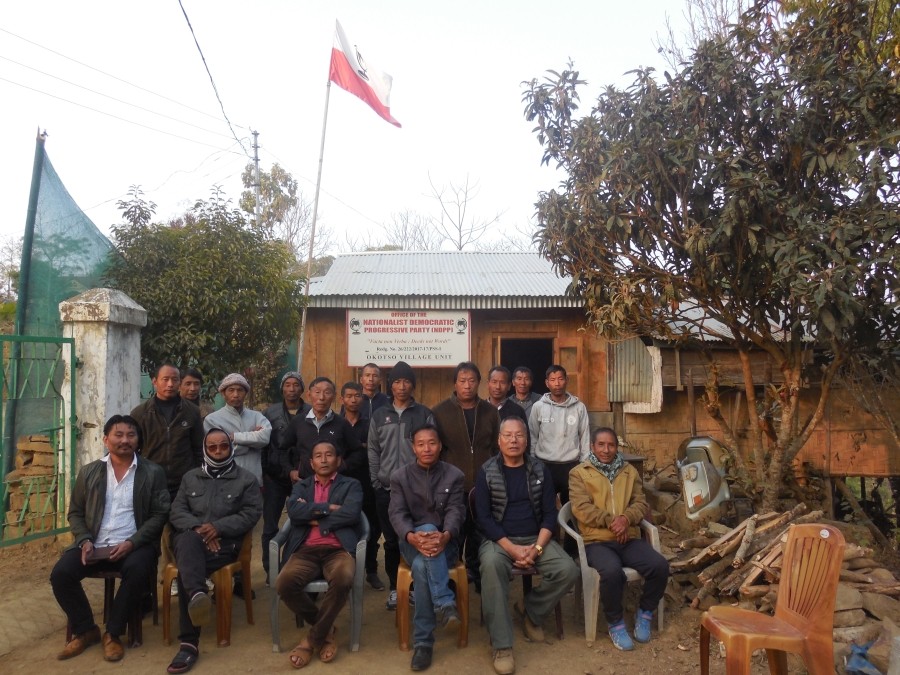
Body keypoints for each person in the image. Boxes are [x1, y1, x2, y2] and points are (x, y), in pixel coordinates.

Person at [50, 414, 169, 663]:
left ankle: (112, 634)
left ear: (138, 440)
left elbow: (160, 514)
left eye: (131, 435)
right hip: (94, 545)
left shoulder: (153, 472)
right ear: (106, 439)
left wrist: (132, 542)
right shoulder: (89, 472)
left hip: (134, 545)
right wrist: (84, 540)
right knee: (61, 574)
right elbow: (76, 513)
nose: (124, 440)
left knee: (137, 570)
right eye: (118, 435)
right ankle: (86, 630)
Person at [474, 417, 578, 674]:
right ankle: (502, 645)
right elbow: (484, 519)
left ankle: (530, 611)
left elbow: (549, 515)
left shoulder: (539, 470)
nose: (513, 440)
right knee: (490, 565)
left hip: (536, 539)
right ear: (499, 440)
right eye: (507, 435)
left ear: (526, 439)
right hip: (500, 542)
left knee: (568, 569)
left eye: (519, 435)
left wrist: (537, 548)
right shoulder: (487, 471)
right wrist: (511, 549)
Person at [166, 428, 262, 673]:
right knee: (188, 544)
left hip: (223, 547)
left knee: (189, 568)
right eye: (212, 447)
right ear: (205, 449)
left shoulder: (246, 479)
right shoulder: (190, 478)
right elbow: (177, 512)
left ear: (231, 447)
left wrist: (217, 528)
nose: (218, 451)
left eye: (223, 446)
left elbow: (251, 514)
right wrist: (200, 530)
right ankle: (197, 598)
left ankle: (188, 643)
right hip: (191, 541)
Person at [569, 427, 669, 651]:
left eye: (611, 445)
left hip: (628, 538)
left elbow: (640, 502)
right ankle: (615, 622)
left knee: (659, 566)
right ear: (593, 447)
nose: (606, 450)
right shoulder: (579, 472)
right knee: (612, 572)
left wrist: (625, 519)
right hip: (597, 541)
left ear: (617, 447)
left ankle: (645, 612)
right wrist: (612, 521)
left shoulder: (629, 471)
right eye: (601, 445)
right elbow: (581, 508)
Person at [275, 441, 363, 669]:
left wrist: (313, 516)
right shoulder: (301, 487)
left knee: (343, 578)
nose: (324, 459)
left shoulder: (351, 485)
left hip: (338, 549)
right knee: (284, 583)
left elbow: (351, 514)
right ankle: (327, 630)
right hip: (305, 550)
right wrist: (329, 508)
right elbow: (294, 513)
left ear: (338, 460)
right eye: (318, 456)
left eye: (329, 455)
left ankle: (311, 640)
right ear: (311, 463)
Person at [389, 424, 465, 672]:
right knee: (424, 535)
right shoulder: (400, 477)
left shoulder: (454, 475)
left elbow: (456, 510)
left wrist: (444, 535)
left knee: (422, 566)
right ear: (413, 448)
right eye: (421, 444)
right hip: (411, 544)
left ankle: (423, 643)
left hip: (446, 544)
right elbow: (397, 513)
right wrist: (412, 537)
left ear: (440, 445)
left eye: (432, 443)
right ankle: (444, 602)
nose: (427, 448)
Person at [368, 360, 433, 610]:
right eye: (396, 381)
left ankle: (416, 587)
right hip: (386, 490)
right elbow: (373, 450)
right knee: (392, 541)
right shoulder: (379, 415)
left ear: (413, 385)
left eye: (406, 381)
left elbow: (431, 449)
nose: (402, 386)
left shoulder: (423, 414)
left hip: (416, 490)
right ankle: (396, 589)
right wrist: (376, 480)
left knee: (415, 538)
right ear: (390, 385)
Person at [432, 361, 499, 584]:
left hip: (483, 484)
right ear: (455, 383)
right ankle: (452, 577)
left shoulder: (490, 411)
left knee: (480, 532)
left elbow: (497, 447)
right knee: (454, 531)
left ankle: (477, 574)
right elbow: (436, 450)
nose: (467, 385)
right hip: (452, 485)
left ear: (479, 383)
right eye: (462, 381)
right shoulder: (440, 412)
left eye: (472, 380)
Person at [261, 371, 310, 581]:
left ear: (302, 388)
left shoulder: (310, 412)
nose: (292, 389)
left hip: (304, 478)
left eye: (296, 385)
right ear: (282, 388)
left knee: (302, 522)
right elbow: (268, 447)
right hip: (276, 477)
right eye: (288, 385)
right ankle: (270, 570)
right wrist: (274, 471)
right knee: (271, 525)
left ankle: (297, 567)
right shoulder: (269, 414)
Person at [131, 363, 203, 500]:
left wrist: (196, 476)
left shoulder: (191, 412)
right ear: (154, 381)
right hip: (151, 482)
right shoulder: (140, 413)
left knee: (181, 520)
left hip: (184, 484)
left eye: (175, 380)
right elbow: (133, 450)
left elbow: (199, 449)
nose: (170, 384)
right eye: (165, 379)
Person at [339, 380, 385, 590]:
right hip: (341, 484)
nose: (353, 399)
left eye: (357, 396)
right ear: (342, 399)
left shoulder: (371, 423)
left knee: (373, 528)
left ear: (363, 398)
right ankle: (345, 571)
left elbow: (375, 449)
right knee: (343, 526)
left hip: (367, 481)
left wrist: (359, 448)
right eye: (349, 396)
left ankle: (371, 571)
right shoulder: (336, 424)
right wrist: (361, 446)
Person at [279, 377, 363, 485]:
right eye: (317, 392)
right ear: (309, 395)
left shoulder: (342, 423)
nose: (322, 397)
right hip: (305, 483)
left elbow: (358, 451)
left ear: (334, 396)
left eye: (327, 392)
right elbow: (281, 450)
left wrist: (343, 466)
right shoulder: (298, 422)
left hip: (335, 484)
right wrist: (290, 471)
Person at [528, 364, 590, 510]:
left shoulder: (579, 407)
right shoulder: (538, 407)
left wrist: (584, 464)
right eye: (553, 380)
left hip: (572, 465)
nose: (557, 383)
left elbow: (585, 437)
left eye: (560, 379)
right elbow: (532, 436)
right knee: (546, 507)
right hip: (545, 465)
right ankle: (550, 533)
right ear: (547, 383)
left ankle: (571, 533)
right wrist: (534, 463)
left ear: (567, 380)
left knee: (573, 507)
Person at [203, 373, 272, 486]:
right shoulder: (212, 420)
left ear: (245, 393)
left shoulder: (257, 416)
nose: (236, 394)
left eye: (240, 390)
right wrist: (252, 440)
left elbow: (264, 439)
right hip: (225, 480)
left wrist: (234, 437)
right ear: (223, 393)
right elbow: (220, 450)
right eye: (231, 390)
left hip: (253, 479)